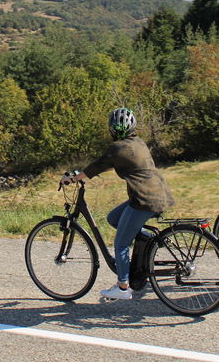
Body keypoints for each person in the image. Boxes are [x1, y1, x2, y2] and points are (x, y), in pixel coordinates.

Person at [59, 107, 175, 299]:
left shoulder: (117, 148)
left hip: (144, 200)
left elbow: (97, 165)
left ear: (112, 129)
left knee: (121, 243)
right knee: (114, 218)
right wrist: (83, 174)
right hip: (158, 194)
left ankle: (122, 287)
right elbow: (102, 165)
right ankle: (145, 239)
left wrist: (73, 178)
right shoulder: (138, 143)